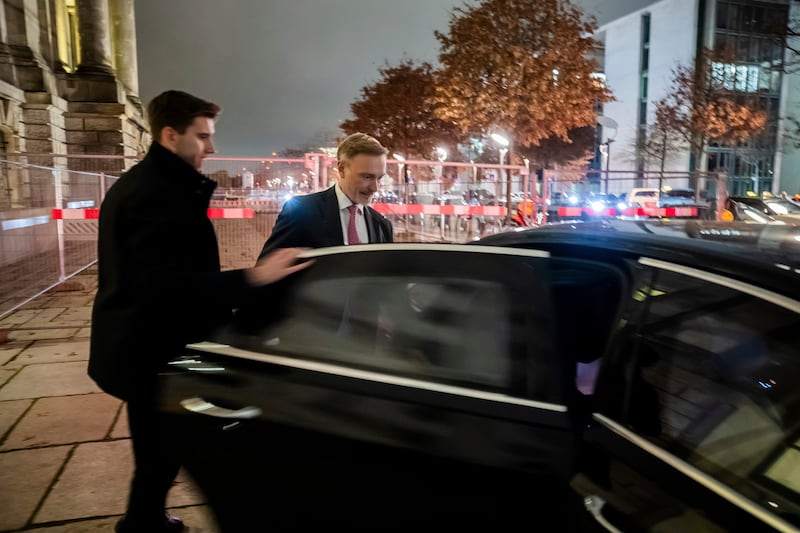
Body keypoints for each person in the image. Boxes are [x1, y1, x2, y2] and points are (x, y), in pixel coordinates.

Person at [88, 90, 311, 533]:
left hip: (146, 347)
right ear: (171, 135)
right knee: (185, 448)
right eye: (203, 137)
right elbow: (165, 288)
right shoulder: (156, 194)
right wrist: (254, 278)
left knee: (157, 453)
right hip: (153, 351)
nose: (210, 148)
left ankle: (143, 520)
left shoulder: (154, 184)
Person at [257, 132, 393, 258]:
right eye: (367, 177)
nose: (375, 188)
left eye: (379, 178)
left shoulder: (382, 226)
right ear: (342, 169)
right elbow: (267, 271)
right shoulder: (301, 212)